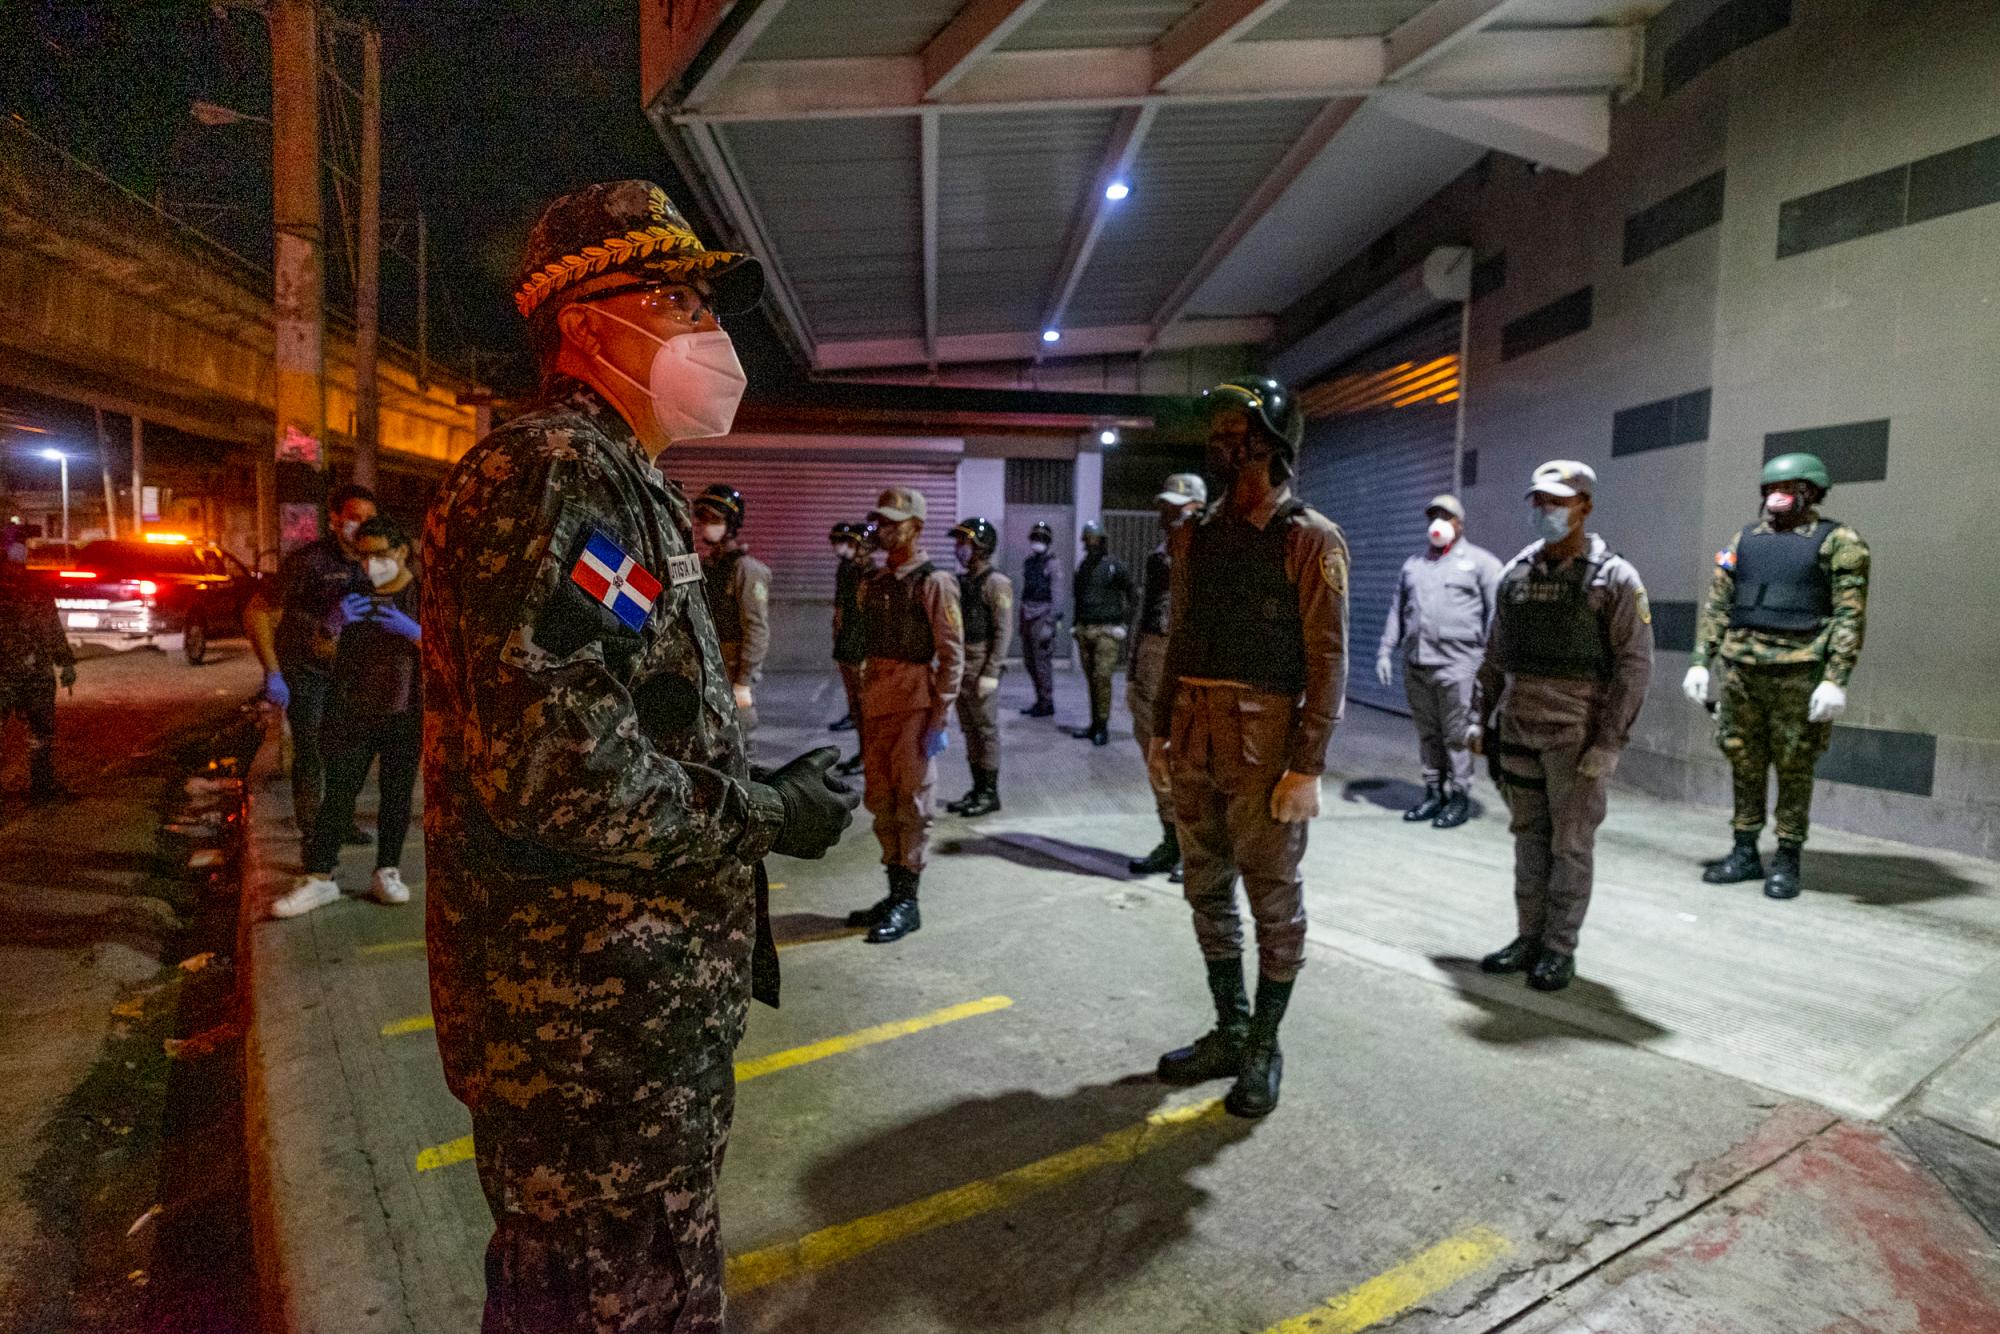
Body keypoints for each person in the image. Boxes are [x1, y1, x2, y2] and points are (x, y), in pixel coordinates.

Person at [418, 180, 857, 1334]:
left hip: (623, 1024)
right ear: (581, 321)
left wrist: (749, 789)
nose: (707, 330)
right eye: (671, 297)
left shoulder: (619, 482)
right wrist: (758, 810)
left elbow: (618, 701)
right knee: (615, 1301)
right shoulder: (559, 471)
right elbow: (557, 762)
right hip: (587, 1031)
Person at [1147, 378, 1348, 1119]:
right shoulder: (1195, 533)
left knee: (1271, 896)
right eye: (1220, 431)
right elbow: (1180, 638)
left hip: (1265, 739)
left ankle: (1265, 1042)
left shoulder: (1308, 538)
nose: (1226, 442)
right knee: (1205, 886)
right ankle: (1230, 1027)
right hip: (1197, 729)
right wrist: (1160, 729)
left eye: (1240, 428)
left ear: (1274, 440)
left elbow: (1328, 661)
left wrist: (1309, 764)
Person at [1471, 461, 1653, 992]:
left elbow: (1634, 666)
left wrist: (1610, 743)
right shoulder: (1517, 574)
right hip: (1521, 726)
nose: (1547, 511)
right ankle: (1528, 937)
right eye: (1539, 501)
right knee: (1528, 840)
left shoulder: (1615, 577)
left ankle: (1558, 948)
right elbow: (1495, 655)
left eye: (1558, 501)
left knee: (1569, 846)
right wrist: (1479, 719)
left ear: (1584, 506)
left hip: (1576, 735)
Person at [1682, 452, 1867, 900]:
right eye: (1770, 489)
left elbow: (1849, 614)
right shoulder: (1743, 541)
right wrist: (1700, 660)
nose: (1777, 497)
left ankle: (1787, 857)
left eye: (1789, 488)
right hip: (1741, 671)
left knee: (1794, 766)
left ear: (1812, 492)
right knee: (1743, 760)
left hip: (1799, 672)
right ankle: (1744, 850)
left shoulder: (1839, 542)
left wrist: (1835, 678)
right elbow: (1719, 604)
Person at [273, 514, 423, 918]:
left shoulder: (423, 595)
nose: (369, 565)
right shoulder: (353, 592)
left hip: (405, 712)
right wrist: (333, 626)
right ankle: (320, 877)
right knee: (338, 794)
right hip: (353, 710)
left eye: (379, 555)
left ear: (402, 551)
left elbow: (449, 655)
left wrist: (414, 632)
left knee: (397, 795)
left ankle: (387, 871)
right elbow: (323, 653)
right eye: (361, 557)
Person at [844, 487, 963, 943]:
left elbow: (952, 655)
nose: (886, 529)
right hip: (877, 702)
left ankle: (909, 900)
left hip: (914, 703)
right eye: (883, 521)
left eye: (896, 521)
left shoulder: (935, 582)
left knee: (913, 804)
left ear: (917, 524)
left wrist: (941, 716)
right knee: (881, 800)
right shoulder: (872, 582)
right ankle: (894, 893)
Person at [247, 483, 379, 848]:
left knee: (349, 750)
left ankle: (339, 819)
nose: (362, 526)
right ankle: (313, 831)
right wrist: (273, 672)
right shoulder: (309, 562)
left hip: (352, 674)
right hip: (307, 673)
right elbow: (257, 612)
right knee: (312, 749)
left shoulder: (377, 565)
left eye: (370, 519)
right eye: (354, 518)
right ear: (336, 520)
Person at [1376, 495, 1502, 829]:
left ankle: (1459, 796)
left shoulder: (1482, 564)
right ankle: (1434, 794)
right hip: (1417, 664)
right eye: (1433, 516)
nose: (1438, 523)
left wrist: (1492, 664)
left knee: (1456, 735)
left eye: (1446, 517)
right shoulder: (1413, 565)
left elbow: (1498, 616)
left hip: (1458, 666)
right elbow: (1397, 610)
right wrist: (1385, 650)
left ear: (1460, 523)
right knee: (1427, 734)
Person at [1127, 474, 1206, 880]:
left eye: (1178, 507)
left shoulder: (1213, 552)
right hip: (1151, 659)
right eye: (1165, 507)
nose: (1168, 514)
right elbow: (1146, 611)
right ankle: (1171, 840)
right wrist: (1132, 670)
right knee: (1155, 757)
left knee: (1186, 760)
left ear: (1197, 507)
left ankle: (1195, 851)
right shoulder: (1159, 555)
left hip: (1187, 663)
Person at [694, 483, 771, 751]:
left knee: (738, 736)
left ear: (732, 523)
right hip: (710, 662)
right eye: (703, 520)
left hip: (732, 662)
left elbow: (757, 629)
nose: (707, 526)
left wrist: (744, 681)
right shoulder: (707, 567)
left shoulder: (747, 570)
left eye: (715, 520)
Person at [945, 516, 1013, 818]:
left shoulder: (996, 582)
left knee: (986, 730)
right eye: (959, 542)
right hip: (962, 663)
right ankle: (977, 788)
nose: (959, 548)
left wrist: (991, 671)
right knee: (970, 730)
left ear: (982, 547)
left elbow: (1003, 630)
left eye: (965, 542)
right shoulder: (963, 580)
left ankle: (990, 793)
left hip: (981, 661)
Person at [0, 540, 76, 801]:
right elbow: (51, 629)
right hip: (34, 674)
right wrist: (65, 663)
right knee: (40, 733)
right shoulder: (36, 590)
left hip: (4, 675)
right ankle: (41, 788)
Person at [1070, 520, 1133, 746]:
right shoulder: (1084, 566)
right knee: (1091, 680)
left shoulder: (1115, 566)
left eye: (1094, 540)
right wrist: (1075, 625)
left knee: (1102, 678)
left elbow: (1132, 593)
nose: (1091, 544)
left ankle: (1102, 726)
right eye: (1088, 540)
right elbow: (1078, 597)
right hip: (1085, 628)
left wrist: (1124, 625)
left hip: (1107, 629)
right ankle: (1094, 724)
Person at [1017, 521, 1063, 718]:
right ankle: (1039, 699)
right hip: (1027, 614)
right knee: (1030, 662)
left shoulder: (1053, 564)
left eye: (1042, 539)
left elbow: (1058, 596)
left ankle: (1047, 702)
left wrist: (1050, 624)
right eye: (1035, 538)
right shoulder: (1029, 562)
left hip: (1042, 616)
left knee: (1041, 662)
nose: (1038, 542)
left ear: (1048, 541)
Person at [828, 521, 865, 735]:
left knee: (859, 686)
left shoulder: (861, 570)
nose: (837, 546)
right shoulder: (845, 567)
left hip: (856, 633)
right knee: (850, 684)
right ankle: (853, 714)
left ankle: (857, 717)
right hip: (845, 632)